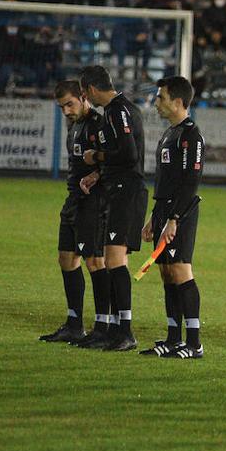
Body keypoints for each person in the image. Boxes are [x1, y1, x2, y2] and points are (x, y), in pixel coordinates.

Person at [78, 66, 148, 351]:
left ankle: (125, 332)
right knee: (113, 260)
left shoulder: (118, 111)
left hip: (127, 193)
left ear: (92, 89)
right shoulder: (115, 111)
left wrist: (96, 156)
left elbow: (129, 155)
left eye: (85, 92)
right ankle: (115, 329)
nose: (85, 96)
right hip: (119, 190)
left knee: (115, 261)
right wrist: (99, 173)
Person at [138, 76, 206, 359]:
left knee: (180, 270)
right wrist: (156, 216)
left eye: (161, 97)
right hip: (164, 210)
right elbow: (165, 178)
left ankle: (194, 343)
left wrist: (174, 217)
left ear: (178, 102)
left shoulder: (191, 135)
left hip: (182, 210)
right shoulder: (170, 133)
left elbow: (191, 180)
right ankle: (173, 338)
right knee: (166, 272)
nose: (156, 103)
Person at [39, 81, 104, 343]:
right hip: (73, 200)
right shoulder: (74, 126)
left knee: (94, 262)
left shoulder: (100, 125)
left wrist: (98, 173)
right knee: (66, 259)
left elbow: (115, 159)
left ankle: (103, 325)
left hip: (94, 201)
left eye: (70, 104)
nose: (66, 110)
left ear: (83, 97)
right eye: (62, 107)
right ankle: (74, 323)